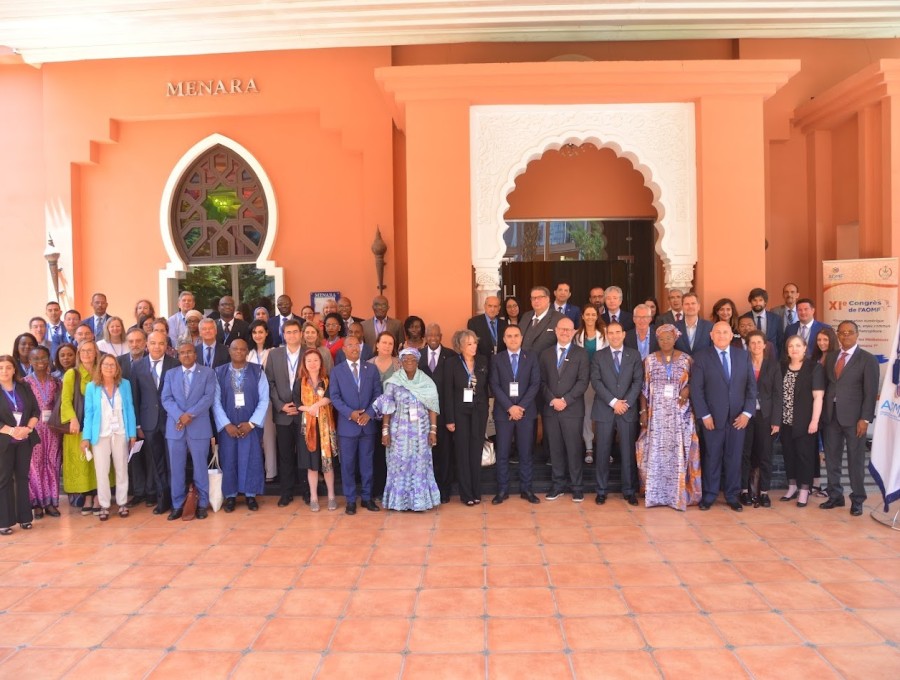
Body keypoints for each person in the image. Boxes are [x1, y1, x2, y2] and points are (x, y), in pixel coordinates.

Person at [692, 321, 758, 511]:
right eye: (718, 332)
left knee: (734, 458)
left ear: (732, 335)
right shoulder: (701, 357)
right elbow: (697, 390)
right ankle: (710, 495)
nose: (721, 335)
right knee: (712, 457)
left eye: (725, 332)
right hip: (712, 419)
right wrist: (704, 415)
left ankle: (732, 495)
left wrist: (747, 413)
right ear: (711, 335)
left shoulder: (743, 356)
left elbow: (751, 388)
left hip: (738, 419)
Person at [635, 325, 702, 510]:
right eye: (661, 339)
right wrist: (643, 412)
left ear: (675, 338)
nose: (665, 341)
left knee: (679, 452)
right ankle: (657, 494)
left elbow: (695, 382)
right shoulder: (648, 360)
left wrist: (687, 389)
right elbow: (643, 390)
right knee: (656, 453)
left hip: (681, 414)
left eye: (668, 338)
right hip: (657, 415)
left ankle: (678, 494)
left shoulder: (687, 359)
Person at [820, 320, 879, 516]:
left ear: (857, 334)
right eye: (842, 333)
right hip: (831, 416)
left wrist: (865, 419)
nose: (845, 336)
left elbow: (870, 393)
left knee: (855, 460)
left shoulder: (867, 359)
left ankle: (858, 499)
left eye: (850, 332)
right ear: (837, 335)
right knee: (832, 459)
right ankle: (835, 496)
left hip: (855, 419)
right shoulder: (831, 357)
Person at [374, 348, 442, 511]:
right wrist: (385, 432)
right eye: (405, 360)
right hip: (399, 433)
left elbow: (432, 406)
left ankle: (420, 502)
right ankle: (398, 502)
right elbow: (387, 408)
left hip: (421, 432)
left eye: (412, 360)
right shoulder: (394, 381)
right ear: (401, 362)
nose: (409, 362)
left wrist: (433, 430)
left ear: (417, 362)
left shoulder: (426, 382)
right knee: (399, 465)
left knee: (420, 465)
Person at [160, 343, 216, 520]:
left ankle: (201, 504)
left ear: (195, 354)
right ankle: (177, 505)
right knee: (176, 469)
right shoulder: (171, 374)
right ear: (178, 355)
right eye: (182, 352)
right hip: (176, 428)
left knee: (200, 467)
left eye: (189, 352)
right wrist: (180, 416)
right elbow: (166, 398)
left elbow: (208, 398)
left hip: (198, 426)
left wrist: (189, 415)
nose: (186, 355)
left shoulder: (207, 373)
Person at [590, 321, 643, 505]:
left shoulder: (634, 355)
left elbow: (638, 382)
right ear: (606, 335)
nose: (614, 336)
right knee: (602, 451)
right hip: (605, 409)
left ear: (623, 334)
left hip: (627, 410)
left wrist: (625, 404)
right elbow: (596, 381)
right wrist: (613, 402)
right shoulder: (598, 356)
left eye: (617, 332)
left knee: (628, 452)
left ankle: (629, 491)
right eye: (610, 333)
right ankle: (601, 490)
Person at [213, 338, 268, 512]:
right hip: (228, 426)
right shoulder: (218, 372)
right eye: (235, 349)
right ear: (229, 351)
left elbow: (264, 399)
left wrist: (251, 424)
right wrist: (226, 424)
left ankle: (251, 495)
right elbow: (215, 402)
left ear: (247, 352)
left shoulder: (258, 371)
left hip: (250, 425)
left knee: (251, 458)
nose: (239, 352)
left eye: (243, 349)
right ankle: (230, 496)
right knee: (229, 458)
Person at [329, 335, 383, 515]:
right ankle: (350, 500)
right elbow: (334, 397)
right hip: (347, 426)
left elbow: (378, 394)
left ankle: (367, 498)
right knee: (348, 465)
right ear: (343, 349)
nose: (354, 348)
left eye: (357, 345)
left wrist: (369, 413)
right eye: (350, 345)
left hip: (367, 425)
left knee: (367, 464)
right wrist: (350, 414)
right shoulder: (337, 371)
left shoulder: (372, 369)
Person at [81, 354, 137, 520]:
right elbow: (88, 414)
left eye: (112, 365)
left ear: (117, 368)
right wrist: (86, 437)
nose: (109, 368)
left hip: (120, 433)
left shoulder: (124, 384)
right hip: (100, 434)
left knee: (121, 469)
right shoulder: (92, 387)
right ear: (100, 367)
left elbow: (129, 409)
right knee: (102, 471)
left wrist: (132, 433)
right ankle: (104, 505)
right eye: (106, 365)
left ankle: (122, 503)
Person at [540, 317, 590, 501]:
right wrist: (553, 400)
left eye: (569, 329)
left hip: (572, 410)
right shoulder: (545, 354)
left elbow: (583, 381)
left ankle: (577, 487)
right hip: (551, 409)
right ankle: (558, 485)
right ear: (556, 330)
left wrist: (566, 400)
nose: (565, 332)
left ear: (574, 331)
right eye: (562, 329)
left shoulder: (581, 354)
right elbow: (541, 381)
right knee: (555, 449)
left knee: (574, 448)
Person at [490, 325, 541, 504]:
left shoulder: (531, 357)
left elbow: (535, 384)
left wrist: (520, 407)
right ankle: (502, 490)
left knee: (525, 453)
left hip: (525, 413)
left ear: (521, 338)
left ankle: (526, 489)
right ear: (503, 339)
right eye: (509, 336)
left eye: (516, 336)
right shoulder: (496, 359)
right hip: (504, 414)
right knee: (503, 453)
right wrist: (510, 408)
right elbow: (494, 385)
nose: (513, 339)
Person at [131, 330, 180, 515]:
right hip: (149, 423)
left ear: (166, 346)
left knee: (173, 462)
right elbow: (135, 397)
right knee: (157, 463)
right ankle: (162, 500)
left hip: (171, 421)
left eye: (161, 343)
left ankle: (176, 500)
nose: (157, 347)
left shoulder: (174, 364)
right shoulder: (138, 366)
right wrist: (137, 425)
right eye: (153, 343)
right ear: (147, 345)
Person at [265, 319, 310, 507]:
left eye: (295, 332)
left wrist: (302, 405)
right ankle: (286, 492)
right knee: (285, 455)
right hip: (282, 413)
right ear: (284, 335)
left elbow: (316, 381)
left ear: (301, 334)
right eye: (288, 332)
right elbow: (269, 382)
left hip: (304, 413)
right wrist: (281, 405)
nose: (292, 335)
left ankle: (308, 491)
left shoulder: (309, 353)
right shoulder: (274, 355)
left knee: (305, 453)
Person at [444, 329, 489, 506]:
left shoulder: (483, 361)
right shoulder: (452, 363)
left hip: (479, 412)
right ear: (460, 346)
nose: (473, 347)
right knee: (463, 453)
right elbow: (448, 392)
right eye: (469, 344)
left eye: (475, 343)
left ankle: (476, 491)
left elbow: (485, 388)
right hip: (460, 413)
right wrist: (449, 419)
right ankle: (466, 494)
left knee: (475, 453)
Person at [780, 335, 825, 508]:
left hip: (806, 421)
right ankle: (792, 487)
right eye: (791, 346)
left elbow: (818, 397)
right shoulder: (782, 366)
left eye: (798, 345)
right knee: (789, 454)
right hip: (785, 421)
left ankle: (804, 490)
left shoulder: (814, 368)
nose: (794, 349)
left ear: (805, 348)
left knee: (805, 457)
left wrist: (814, 421)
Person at [739, 330, 782, 508]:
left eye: (759, 342)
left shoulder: (773, 365)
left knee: (765, 454)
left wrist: (776, 420)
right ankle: (744, 490)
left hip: (765, 416)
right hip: (745, 416)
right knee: (745, 453)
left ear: (765, 345)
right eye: (752, 343)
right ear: (748, 345)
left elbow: (778, 395)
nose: (756, 346)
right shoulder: (742, 363)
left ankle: (763, 492)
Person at [292, 348, 338, 512]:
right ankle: (313, 497)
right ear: (304, 364)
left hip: (325, 427)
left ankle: (331, 496)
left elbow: (330, 396)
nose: (312, 363)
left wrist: (316, 405)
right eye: (309, 360)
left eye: (315, 360)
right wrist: (309, 409)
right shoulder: (300, 382)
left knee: (327, 464)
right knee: (311, 465)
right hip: (308, 428)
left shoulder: (327, 380)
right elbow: (296, 403)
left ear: (321, 363)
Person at [0, 355, 40, 535]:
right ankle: (4, 521)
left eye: (8, 367)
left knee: (23, 478)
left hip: (24, 439)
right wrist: (11, 431)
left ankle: (25, 518)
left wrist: (28, 429)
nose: (4, 371)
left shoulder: (24, 386)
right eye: (1, 368)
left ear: (14, 369)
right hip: (4, 441)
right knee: (4, 479)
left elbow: (35, 410)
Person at [62, 340, 102, 515]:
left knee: (99, 462)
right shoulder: (72, 374)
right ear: (79, 354)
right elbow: (65, 400)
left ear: (96, 353)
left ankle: (100, 497)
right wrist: (73, 419)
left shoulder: (102, 371)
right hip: (78, 427)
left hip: (100, 425)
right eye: (83, 351)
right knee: (83, 463)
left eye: (90, 351)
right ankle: (87, 497)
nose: (86, 354)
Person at [24, 346, 63, 518]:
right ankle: (37, 504)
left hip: (53, 429)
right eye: (36, 359)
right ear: (30, 361)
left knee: (52, 463)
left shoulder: (56, 382)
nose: (40, 362)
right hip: (33, 428)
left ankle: (51, 503)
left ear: (49, 359)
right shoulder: (24, 383)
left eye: (43, 358)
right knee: (35, 465)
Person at [417, 324, 454, 503]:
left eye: (436, 335)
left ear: (441, 336)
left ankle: (444, 490)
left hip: (445, 415)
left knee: (445, 453)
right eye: (429, 335)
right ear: (425, 336)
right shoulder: (418, 356)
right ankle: (427, 489)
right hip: (422, 416)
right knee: (426, 453)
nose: (433, 338)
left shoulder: (451, 355)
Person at [369, 331, 401, 499]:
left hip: (394, 417)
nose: (387, 346)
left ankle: (392, 489)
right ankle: (377, 489)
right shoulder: (368, 364)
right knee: (375, 453)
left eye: (390, 343)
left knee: (392, 453)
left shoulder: (399, 364)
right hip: (372, 416)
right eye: (384, 342)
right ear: (377, 344)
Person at [574, 304, 607, 464]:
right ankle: (589, 447)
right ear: (582, 316)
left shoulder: (605, 334)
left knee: (603, 413)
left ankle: (604, 448)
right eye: (587, 314)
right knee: (586, 413)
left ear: (597, 316)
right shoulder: (576, 335)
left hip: (602, 380)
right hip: (584, 380)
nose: (590, 317)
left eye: (593, 314)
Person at [247, 319, 277, 482]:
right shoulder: (248, 353)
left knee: (268, 436)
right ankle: (256, 470)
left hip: (268, 399)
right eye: (254, 332)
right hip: (251, 400)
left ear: (267, 333)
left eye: (260, 332)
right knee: (253, 437)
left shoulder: (273, 352)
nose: (257, 335)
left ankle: (270, 472)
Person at [519, 286, 565, 355]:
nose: (536, 301)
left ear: (548, 299)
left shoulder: (559, 319)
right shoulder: (526, 316)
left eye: (540, 297)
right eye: (533, 298)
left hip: (545, 363)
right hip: (524, 362)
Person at [740, 287, 783, 358]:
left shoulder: (776, 319)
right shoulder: (744, 318)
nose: (757, 303)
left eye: (760, 300)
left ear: (765, 302)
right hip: (749, 358)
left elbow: (780, 341)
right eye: (754, 300)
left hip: (771, 358)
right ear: (750, 302)